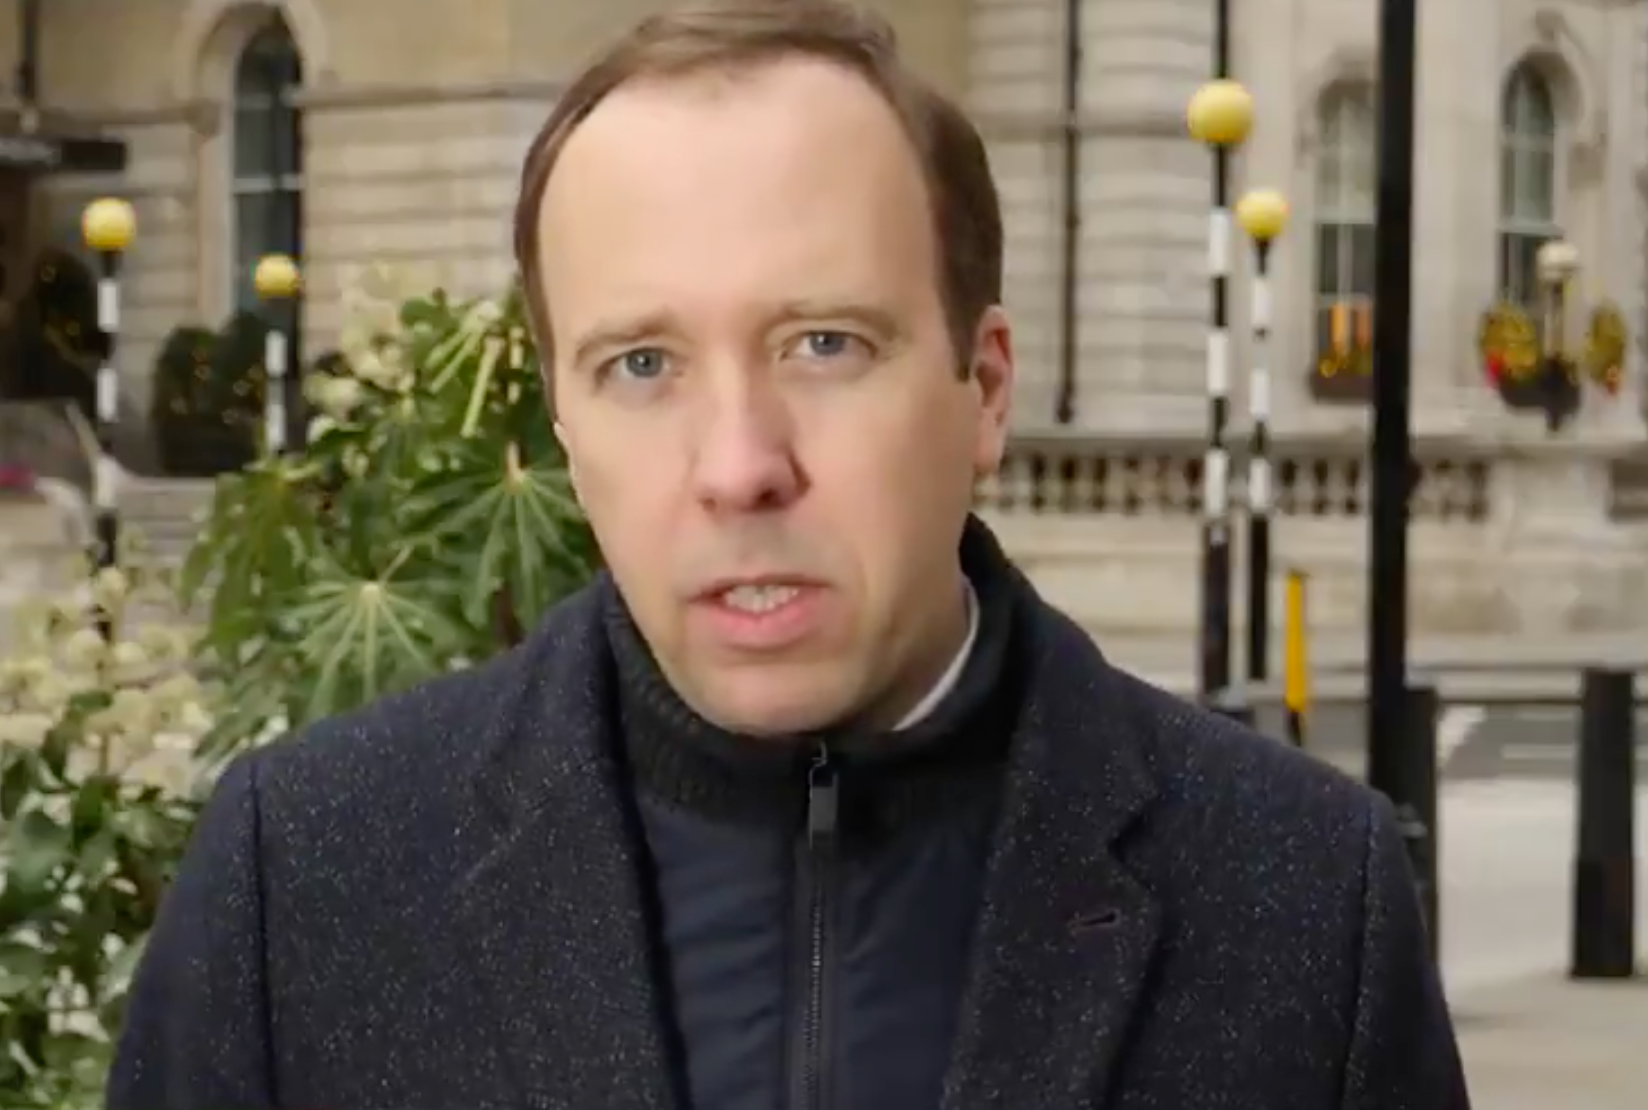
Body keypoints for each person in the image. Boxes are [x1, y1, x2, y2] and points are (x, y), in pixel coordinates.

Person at [107, 1, 1471, 1107]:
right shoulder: (306, 878)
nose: (739, 462)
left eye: (825, 343)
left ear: (983, 385)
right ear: (565, 423)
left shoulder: (1303, 898)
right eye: (642, 363)